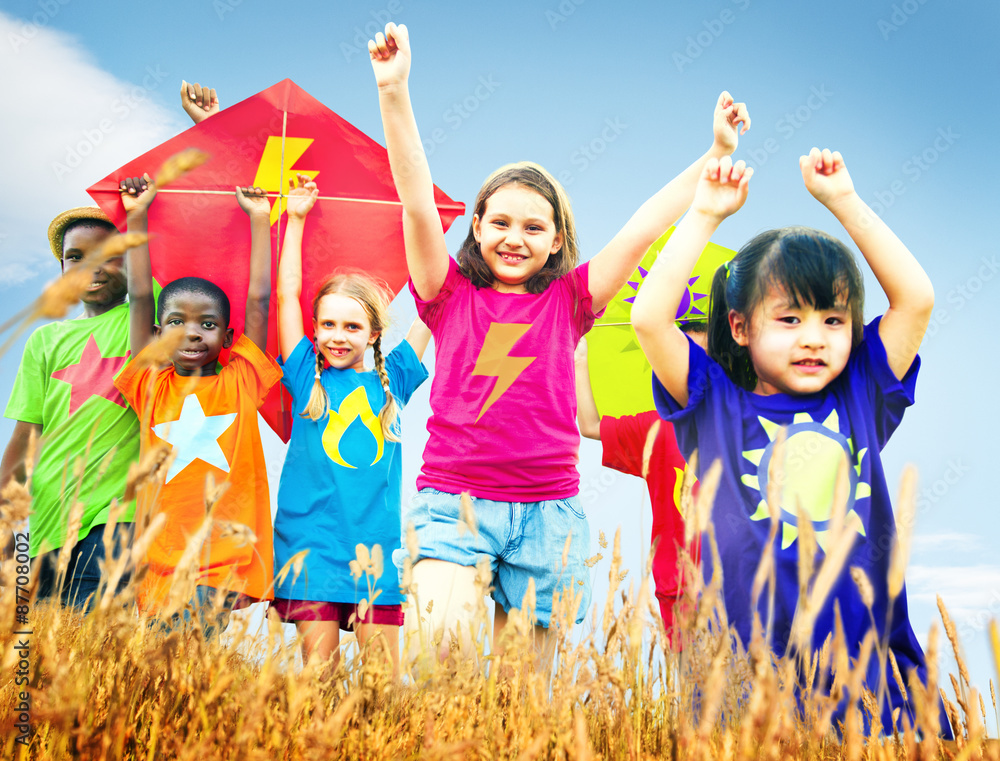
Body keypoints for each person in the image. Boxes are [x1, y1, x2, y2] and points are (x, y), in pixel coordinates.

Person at [369, 21, 749, 661]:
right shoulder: (447, 294)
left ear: (555, 240)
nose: (514, 237)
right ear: (478, 227)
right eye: (500, 222)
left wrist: (711, 154)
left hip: (548, 515)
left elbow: (642, 227)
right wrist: (394, 91)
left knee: (528, 705)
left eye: (534, 226)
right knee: (443, 656)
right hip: (455, 505)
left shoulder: (570, 300)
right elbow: (415, 203)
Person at [631, 149, 945, 733]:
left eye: (833, 319)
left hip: (864, 669)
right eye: (790, 319)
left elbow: (917, 298)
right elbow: (650, 319)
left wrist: (843, 202)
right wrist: (704, 213)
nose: (815, 338)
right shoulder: (714, 405)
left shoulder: (862, 393)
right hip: (748, 673)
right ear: (740, 327)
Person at [270, 175, 430, 676]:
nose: (338, 336)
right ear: (315, 329)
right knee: (319, 679)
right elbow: (286, 292)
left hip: (376, 553)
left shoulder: (395, 379)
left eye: (352, 326)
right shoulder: (303, 373)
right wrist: (295, 219)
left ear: (375, 333)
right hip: (311, 547)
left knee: (383, 686)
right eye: (328, 325)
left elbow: (434, 304)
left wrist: (449, 255)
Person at [113, 174, 280, 632]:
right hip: (156, 556)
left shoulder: (241, 379)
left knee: (191, 641)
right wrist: (136, 214)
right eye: (176, 323)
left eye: (207, 324)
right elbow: (141, 296)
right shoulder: (151, 384)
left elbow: (260, 300)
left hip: (220, 555)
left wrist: (260, 221)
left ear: (227, 337)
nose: (190, 332)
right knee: (157, 671)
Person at [2, 208, 136, 611]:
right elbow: (26, 440)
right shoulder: (44, 341)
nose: (90, 266)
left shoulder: (149, 325)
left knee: (94, 635)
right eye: (75, 257)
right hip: (46, 521)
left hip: (114, 517)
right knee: (44, 648)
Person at [573, 323, 707, 648]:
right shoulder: (658, 430)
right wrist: (578, 359)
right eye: (683, 359)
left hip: (743, 582)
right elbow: (590, 426)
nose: (696, 368)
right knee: (693, 690)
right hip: (680, 585)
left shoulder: (747, 422)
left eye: (706, 359)